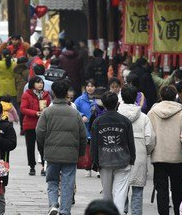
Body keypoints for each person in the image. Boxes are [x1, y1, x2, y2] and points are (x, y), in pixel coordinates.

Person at [35, 79, 88, 215]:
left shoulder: (47, 112)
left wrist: (44, 147)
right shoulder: (75, 113)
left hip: (52, 154)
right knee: (67, 183)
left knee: (52, 180)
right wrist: (80, 153)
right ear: (66, 94)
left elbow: (39, 132)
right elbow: (83, 135)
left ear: (53, 93)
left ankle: (53, 205)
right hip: (70, 155)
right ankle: (65, 211)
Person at [149, 85, 182, 215]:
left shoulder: (152, 113)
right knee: (178, 189)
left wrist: (151, 150)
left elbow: (149, 136)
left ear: (161, 96)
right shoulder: (181, 113)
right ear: (175, 96)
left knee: (161, 190)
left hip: (159, 157)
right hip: (176, 157)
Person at [90, 91, 136, 213]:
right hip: (123, 160)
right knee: (120, 194)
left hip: (104, 162)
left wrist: (95, 162)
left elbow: (94, 144)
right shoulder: (125, 121)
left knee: (106, 194)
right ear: (118, 104)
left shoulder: (98, 122)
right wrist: (132, 158)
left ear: (103, 105)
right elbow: (130, 141)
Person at [119, 84, 155, 215]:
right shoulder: (144, 117)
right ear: (136, 97)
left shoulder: (116, 115)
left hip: (119, 156)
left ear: (121, 96)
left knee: (120, 188)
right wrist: (148, 152)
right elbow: (150, 139)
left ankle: (122, 211)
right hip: (139, 156)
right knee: (137, 190)